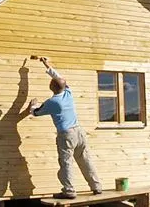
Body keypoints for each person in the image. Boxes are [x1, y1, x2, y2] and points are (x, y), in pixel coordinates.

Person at [29, 57, 102, 199]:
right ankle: (96, 186)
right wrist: (46, 64)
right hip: (79, 131)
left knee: (66, 162)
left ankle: (68, 191)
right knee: (85, 159)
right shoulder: (69, 93)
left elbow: (35, 113)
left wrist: (33, 104)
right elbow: (59, 78)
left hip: (66, 135)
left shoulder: (52, 102)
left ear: (52, 87)